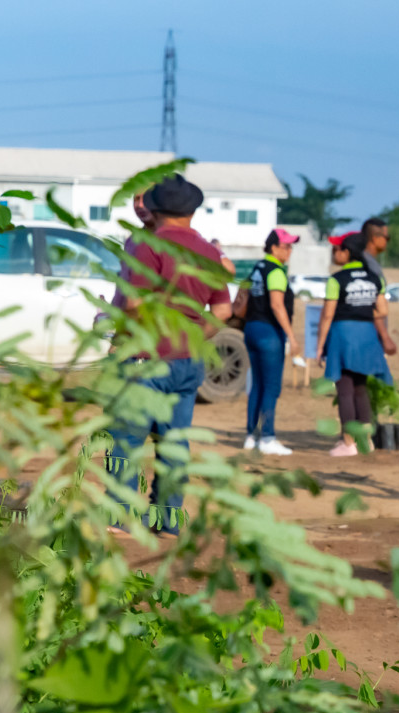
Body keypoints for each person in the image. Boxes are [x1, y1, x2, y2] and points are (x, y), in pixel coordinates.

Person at [105, 174, 232, 535]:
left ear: (155, 208)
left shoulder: (150, 245)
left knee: (128, 441)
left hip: (147, 360)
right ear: (192, 210)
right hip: (188, 363)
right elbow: (222, 312)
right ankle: (168, 521)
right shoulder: (208, 251)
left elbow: (133, 303)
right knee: (174, 442)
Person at [315, 232, 395, 457]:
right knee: (360, 389)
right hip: (367, 334)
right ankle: (365, 441)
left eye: (336, 249)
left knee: (345, 390)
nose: (334, 254)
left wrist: (320, 345)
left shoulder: (336, 279)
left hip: (343, 333)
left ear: (346, 252)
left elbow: (327, 315)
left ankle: (348, 442)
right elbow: (383, 310)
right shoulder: (374, 277)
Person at [237, 228, 299, 456]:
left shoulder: (258, 268)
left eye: (291, 246)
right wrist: (291, 336)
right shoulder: (275, 271)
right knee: (271, 386)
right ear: (274, 248)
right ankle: (268, 437)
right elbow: (276, 304)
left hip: (251, 328)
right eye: (286, 246)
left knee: (257, 386)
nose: (290, 250)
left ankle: (250, 436)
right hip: (268, 332)